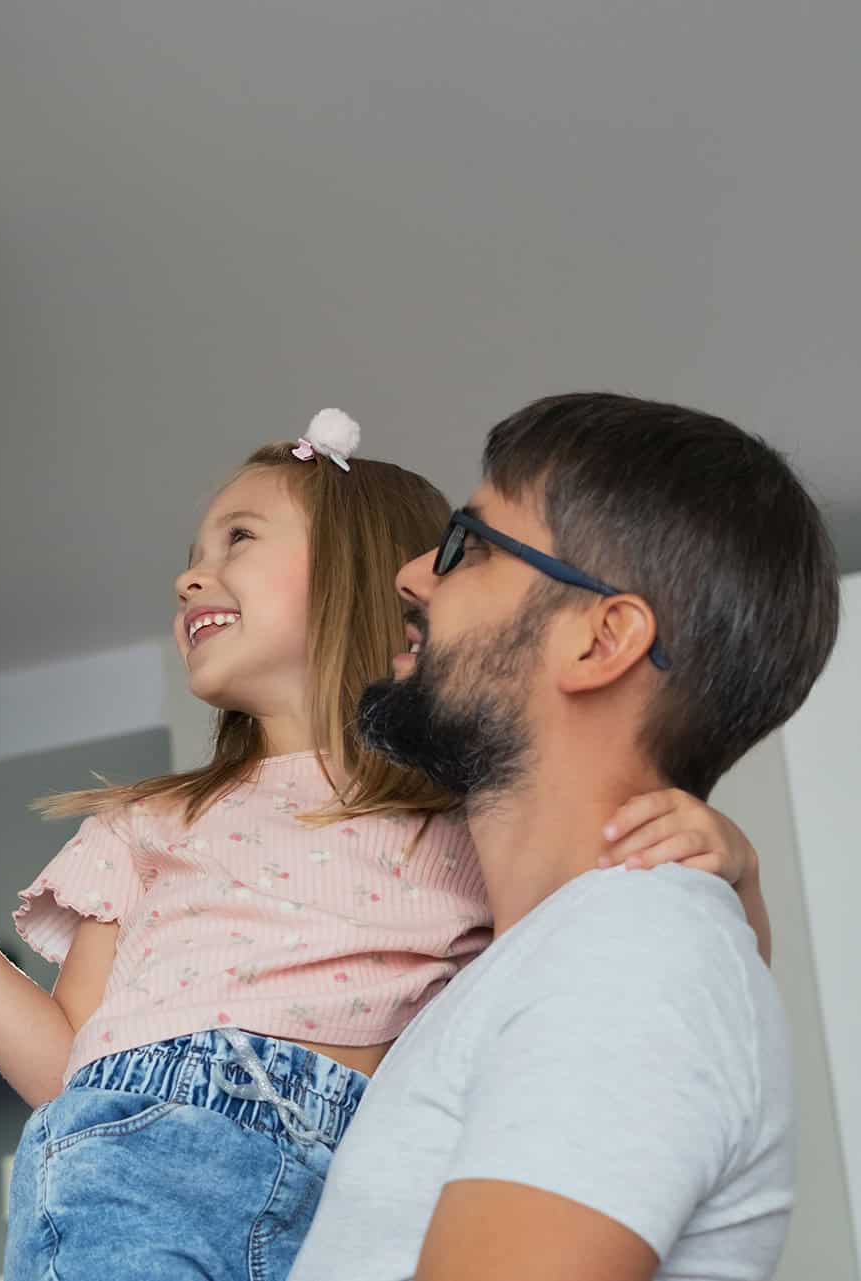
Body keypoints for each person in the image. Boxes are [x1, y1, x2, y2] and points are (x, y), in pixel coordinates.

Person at [0, 409, 773, 1281]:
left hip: (334, 1167)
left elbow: (663, 980)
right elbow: (71, 1063)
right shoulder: (153, 822)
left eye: (241, 538)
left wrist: (733, 863)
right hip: (143, 1154)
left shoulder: (471, 826)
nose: (189, 574)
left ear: (355, 577)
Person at [291, 392, 839, 1281]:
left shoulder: (635, 953)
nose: (413, 573)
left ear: (600, 640)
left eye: (468, 544)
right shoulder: (571, 956)